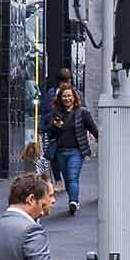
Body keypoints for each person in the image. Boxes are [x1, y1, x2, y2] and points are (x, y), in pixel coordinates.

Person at [44, 85, 97, 216]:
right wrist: (54, 126)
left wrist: (101, 140)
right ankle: (73, 200)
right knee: (67, 179)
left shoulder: (82, 112)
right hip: (61, 151)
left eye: (69, 96)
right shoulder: (56, 113)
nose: (67, 98)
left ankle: (73, 202)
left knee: (72, 177)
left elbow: (93, 128)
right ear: (60, 98)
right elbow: (49, 132)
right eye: (64, 96)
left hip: (76, 151)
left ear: (74, 97)